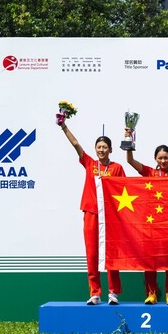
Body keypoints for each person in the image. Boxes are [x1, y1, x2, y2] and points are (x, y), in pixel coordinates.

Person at [59, 120, 126, 305]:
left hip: (111, 217)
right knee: (92, 254)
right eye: (99, 147)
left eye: (105, 147)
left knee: (111, 255)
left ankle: (113, 293)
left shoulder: (117, 168)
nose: (102, 150)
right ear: (95, 149)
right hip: (91, 213)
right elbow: (75, 144)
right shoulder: (90, 163)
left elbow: (125, 192)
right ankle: (95, 293)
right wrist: (64, 126)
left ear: (110, 150)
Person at [125, 132, 168, 304]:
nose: (163, 161)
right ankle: (152, 294)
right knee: (150, 261)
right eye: (160, 158)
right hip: (151, 225)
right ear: (155, 159)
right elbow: (130, 161)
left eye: (166, 158)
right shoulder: (149, 173)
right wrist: (128, 139)